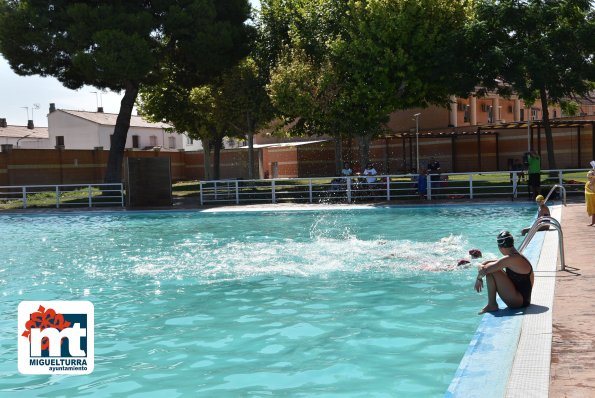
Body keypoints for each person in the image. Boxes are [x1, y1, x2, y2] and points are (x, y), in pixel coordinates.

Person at [475, 231, 534, 315]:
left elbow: (485, 270)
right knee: (492, 268)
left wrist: (478, 278)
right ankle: (492, 304)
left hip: (519, 302)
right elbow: (488, 263)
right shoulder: (516, 256)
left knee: (492, 271)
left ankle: (492, 305)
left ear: (500, 247)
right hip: (523, 299)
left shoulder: (510, 259)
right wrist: (481, 265)